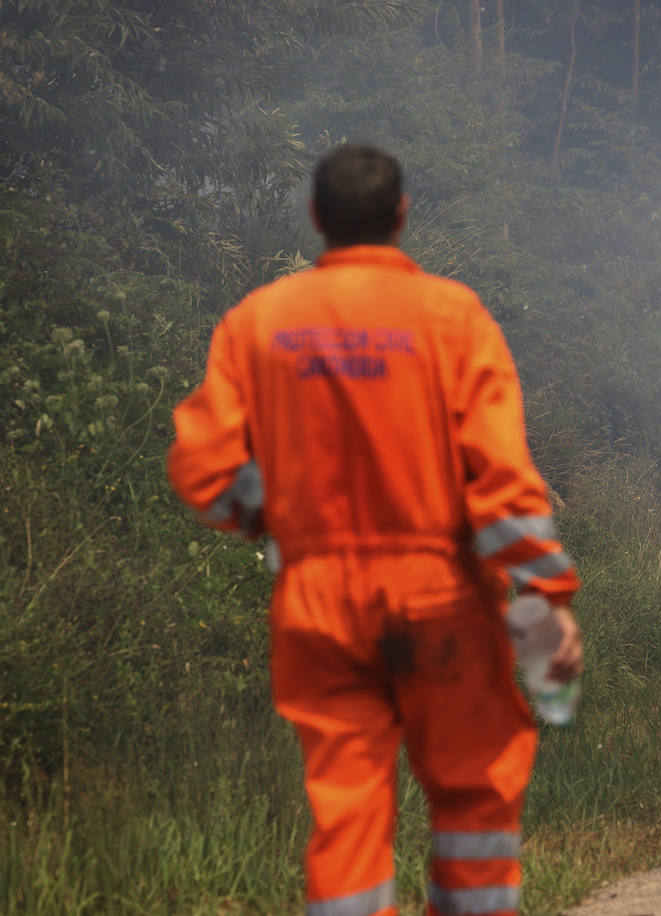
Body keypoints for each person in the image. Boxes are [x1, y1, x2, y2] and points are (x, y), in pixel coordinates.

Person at [167, 143, 582, 916]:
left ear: (318, 219)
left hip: (317, 601)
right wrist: (547, 592)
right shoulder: (451, 317)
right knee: (473, 796)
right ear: (401, 215)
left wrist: (270, 513)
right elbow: (500, 481)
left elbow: (202, 468)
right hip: (440, 596)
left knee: (347, 814)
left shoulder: (259, 323)